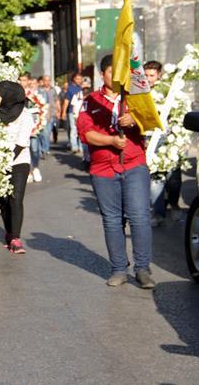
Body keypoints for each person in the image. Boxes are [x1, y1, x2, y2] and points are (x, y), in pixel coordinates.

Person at [77, 54, 155, 289]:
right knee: (112, 220)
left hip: (133, 164)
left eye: (121, 72)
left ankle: (143, 269)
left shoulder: (135, 97)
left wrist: (135, 120)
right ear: (103, 74)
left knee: (139, 217)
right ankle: (119, 269)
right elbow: (86, 134)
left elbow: (151, 121)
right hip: (103, 168)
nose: (116, 77)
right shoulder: (90, 101)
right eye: (112, 72)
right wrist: (111, 140)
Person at [0, 81, 33, 254]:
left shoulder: (25, 116)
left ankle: (16, 238)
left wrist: (6, 160)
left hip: (19, 162)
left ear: (8, 96)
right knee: (2, 201)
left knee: (15, 198)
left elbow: (21, 143)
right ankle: (9, 233)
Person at [144, 60, 182, 226]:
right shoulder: (140, 92)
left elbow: (178, 112)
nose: (149, 78)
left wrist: (178, 136)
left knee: (173, 178)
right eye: (146, 75)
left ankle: (173, 204)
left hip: (169, 139)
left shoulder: (168, 91)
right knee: (155, 177)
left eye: (152, 75)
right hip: (150, 139)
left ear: (159, 75)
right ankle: (158, 213)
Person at [61, 73, 83, 154]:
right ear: (74, 79)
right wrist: (63, 112)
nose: (79, 80)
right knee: (73, 129)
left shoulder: (82, 88)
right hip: (72, 112)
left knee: (81, 129)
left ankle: (81, 147)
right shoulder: (70, 89)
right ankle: (74, 146)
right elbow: (66, 101)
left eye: (80, 79)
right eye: (77, 79)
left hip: (81, 113)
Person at [39, 75, 57, 156]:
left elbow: (57, 100)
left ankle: (46, 148)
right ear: (43, 81)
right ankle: (44, 149)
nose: (47, 82)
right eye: (45, 80)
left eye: (48, 80)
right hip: (43, 113)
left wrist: (58, 111)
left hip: (52, 113)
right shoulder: (39, 90)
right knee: (43, 132)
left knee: (48, 132)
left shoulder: (53, 90)